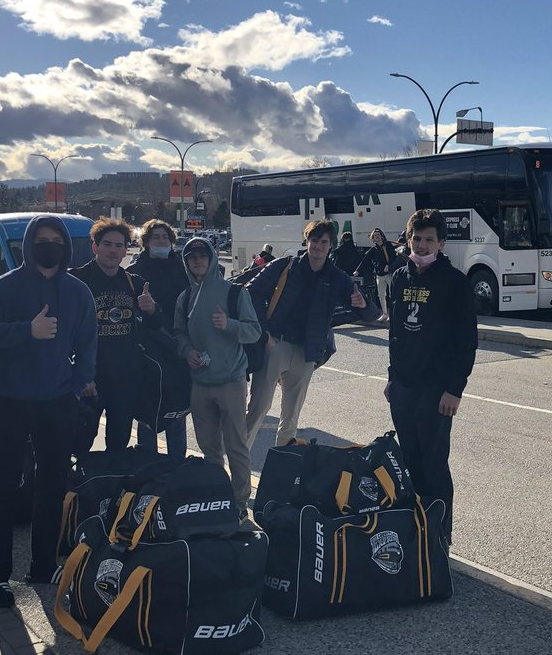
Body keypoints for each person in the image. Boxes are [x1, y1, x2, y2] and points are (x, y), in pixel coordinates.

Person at [0, 215, 97, 609]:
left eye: (56, 240)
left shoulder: (77, 291)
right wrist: (26, 330)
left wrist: (77, 383)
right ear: (29, 244)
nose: (49, 245)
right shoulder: (6, 287)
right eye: (42, 239)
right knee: (4, 486)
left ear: (66, 246)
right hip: (10, 401)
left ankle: (42, 565)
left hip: (57, 403)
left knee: (52, 486)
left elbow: (89, 344)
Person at [385, 208, 477, 544]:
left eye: (429, 240)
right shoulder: (400, 277)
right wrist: (392, 378)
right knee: (408, 464)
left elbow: (465, 341)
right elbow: (396, 334)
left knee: (434, 466)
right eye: (416, 239)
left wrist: (455, 389)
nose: (422, 245)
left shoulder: (455, 283)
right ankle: (414, 535)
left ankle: (439, 538)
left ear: (441, 243)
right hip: (404, 388)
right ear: (408, 240)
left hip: (437, 391)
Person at [246, 219, 379, 448]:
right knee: (258, 408)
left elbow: (372, 313)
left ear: (331, 246)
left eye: (324, 242)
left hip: (306, 351)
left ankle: (284, 468)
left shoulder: (336, 277)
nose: (318, 246)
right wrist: (263, 332)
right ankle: (238, 469)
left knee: (291, 418)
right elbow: (250, 293)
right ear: (306, 241)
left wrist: (362, 303)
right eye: (314, 240)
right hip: (276, 343)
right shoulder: (284, 266)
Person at [173, 237, 262, 526]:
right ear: (186, 262)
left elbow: (254, 332)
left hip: (231, 381)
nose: (197, 261)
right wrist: (187, 352)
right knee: (209, 449)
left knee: (236, 446)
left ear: (212, 259)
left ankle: (239, 505)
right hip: (200, 383)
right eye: (191, 257)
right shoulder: (184, 297)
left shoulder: (235, 293)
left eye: (202, 256)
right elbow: (179, 334)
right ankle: (217, 499)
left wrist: (230, 325)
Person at [71, 218, 162, 453]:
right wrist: (81, 375)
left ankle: (109, 487)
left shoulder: (134, 284)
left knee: (118, 443)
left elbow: (157, 325)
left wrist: (151, 309)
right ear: (95, 247)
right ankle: (73, 487)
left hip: (125, 379)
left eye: (119, 245)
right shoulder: (77, 281)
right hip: (90, 379)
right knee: (79, 440)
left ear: (125, 250)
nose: (113, 250)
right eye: (107, 244)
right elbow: (65, 334)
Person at [128, 219, 190, 464]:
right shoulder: (136, 269)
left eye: (165, 237)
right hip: (149, 346)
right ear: (145, 242)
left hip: (178, 343)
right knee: (148, 407)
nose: (161, 241)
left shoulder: (182, 267)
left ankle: (177, 465)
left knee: (177, 408)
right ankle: (148, 464)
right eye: (156, 237)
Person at [358, 227, 401, 320]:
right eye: (375, 236)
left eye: (378, 235)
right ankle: (385, 314)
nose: (377, 237)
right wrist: (357, 270)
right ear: (373, 238)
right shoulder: (373, 249)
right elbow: (365, 260)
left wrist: (388, 265)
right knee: (381, 295)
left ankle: (393, 313)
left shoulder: (388, 245)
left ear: (382, 236)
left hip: (389, 274)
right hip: (379, 275)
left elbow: (394, 257)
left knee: (392, 294)